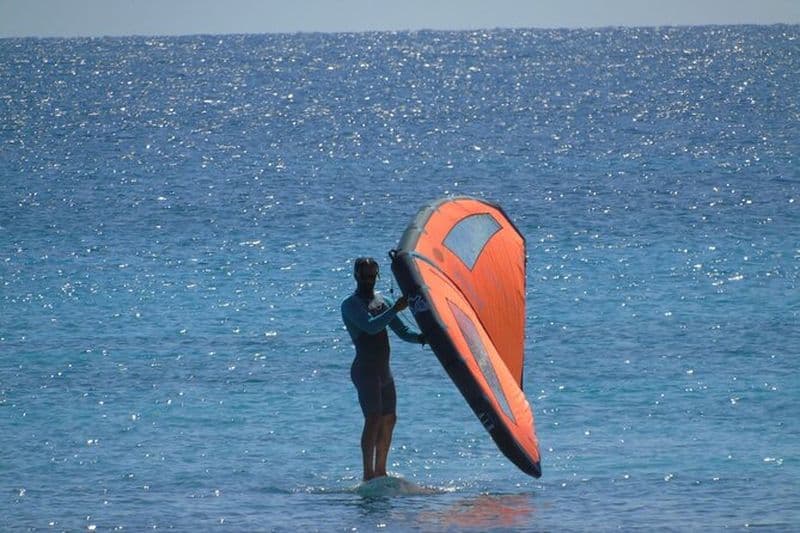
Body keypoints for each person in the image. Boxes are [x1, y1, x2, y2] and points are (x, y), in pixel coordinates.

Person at [341, 257, 425, 481]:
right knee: (373, 418)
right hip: (365, 371)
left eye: (372, 275)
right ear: (356, 275)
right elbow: (371, 327)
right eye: (364, 275)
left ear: (377, 276)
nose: (368, 280)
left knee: (389, 418)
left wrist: (424, 338)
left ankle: (381, 470)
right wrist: (395, 309)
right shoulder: (350, 305)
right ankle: (368, 474)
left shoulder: (384, 301)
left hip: (384, 372)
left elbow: (404, 331)